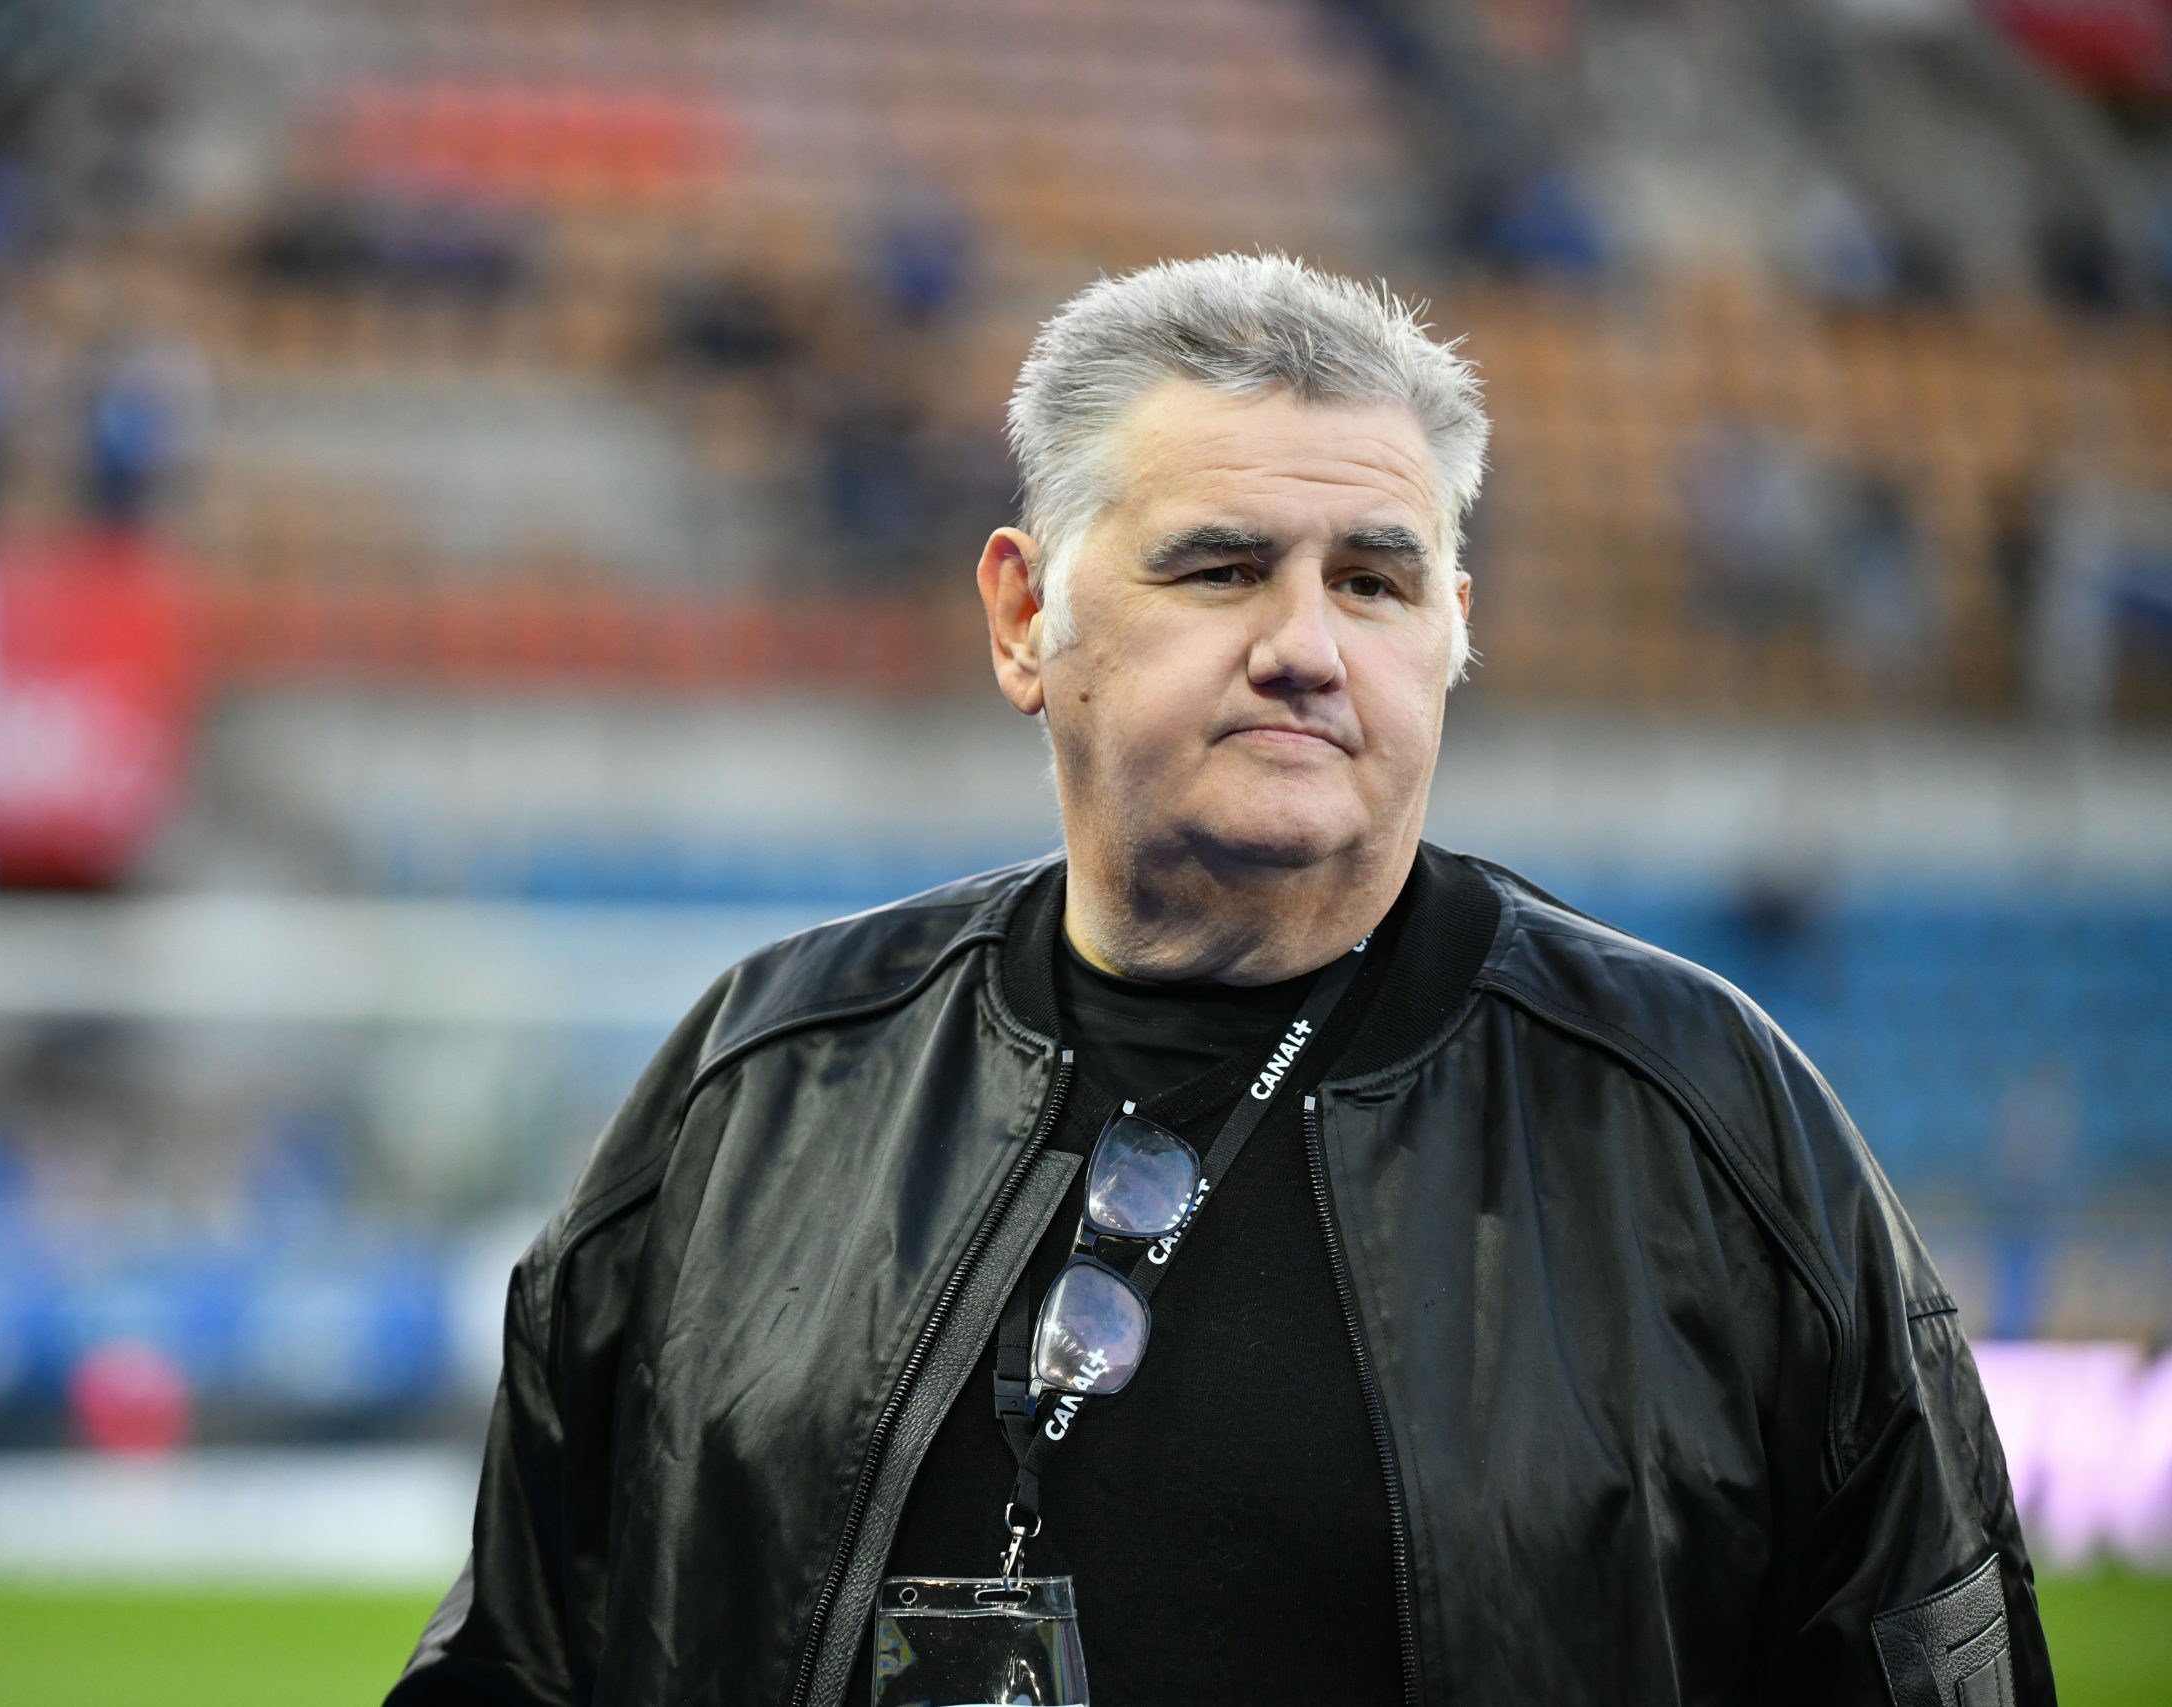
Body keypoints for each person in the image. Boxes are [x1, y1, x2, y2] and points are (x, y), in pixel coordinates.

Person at [388, 254, 2052, 1706]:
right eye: (1223, 565)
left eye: (1378, 582)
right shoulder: (766, 1080)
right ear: (1024, 615)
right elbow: (524, 1654)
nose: (1310, 645)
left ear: (1451, 632)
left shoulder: (1702, 1123)